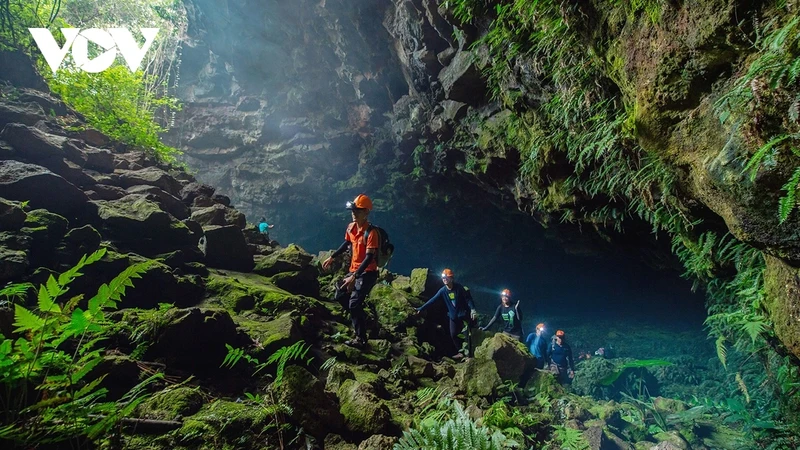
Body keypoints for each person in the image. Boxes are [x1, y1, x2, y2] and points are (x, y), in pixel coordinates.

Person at [322, 194, 379, 348]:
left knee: (354, 303)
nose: (354, 213)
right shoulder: (351, 227)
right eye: (353, 210)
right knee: (340, 294)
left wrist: (354, 277)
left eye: (358, 211)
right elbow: (347, 243)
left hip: (368, 272)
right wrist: (332, 257)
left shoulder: (371, 233)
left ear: (366, 212)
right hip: (354, 270)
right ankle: (363, 318)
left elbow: (368, 258)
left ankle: (361, 339)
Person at [415, 268, 477, 359]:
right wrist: (421, 308)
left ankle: (470, 355)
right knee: (453, 334)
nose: (444, 279)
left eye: (446, 278)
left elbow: (468, 299)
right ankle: (461, 353)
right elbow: (433, 300)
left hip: (463, 316)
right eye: (443, 278)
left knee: (467, 335)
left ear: (451, 278)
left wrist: (473, 309)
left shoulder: (459, 288)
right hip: (453, 318)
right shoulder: (443, 291)